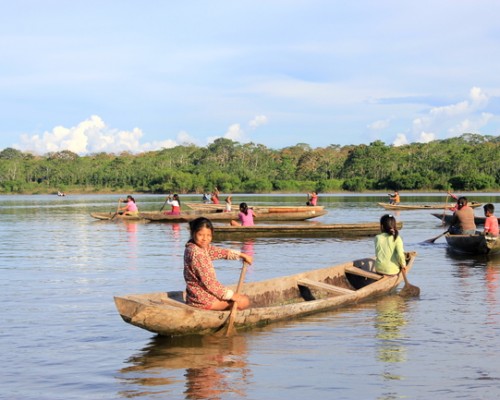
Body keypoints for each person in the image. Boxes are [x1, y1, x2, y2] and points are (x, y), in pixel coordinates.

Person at [183, 217, 252, 310]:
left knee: (237, 298)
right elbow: (210, 283)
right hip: (202, 301)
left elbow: (216, 251)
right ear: (193, 233)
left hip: (194, 297)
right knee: (244, 301)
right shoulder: (197, 254)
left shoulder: (193, 246)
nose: (205, 239)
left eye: (208, 235)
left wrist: (241, 255)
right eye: (201, 235)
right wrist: (232, 295)